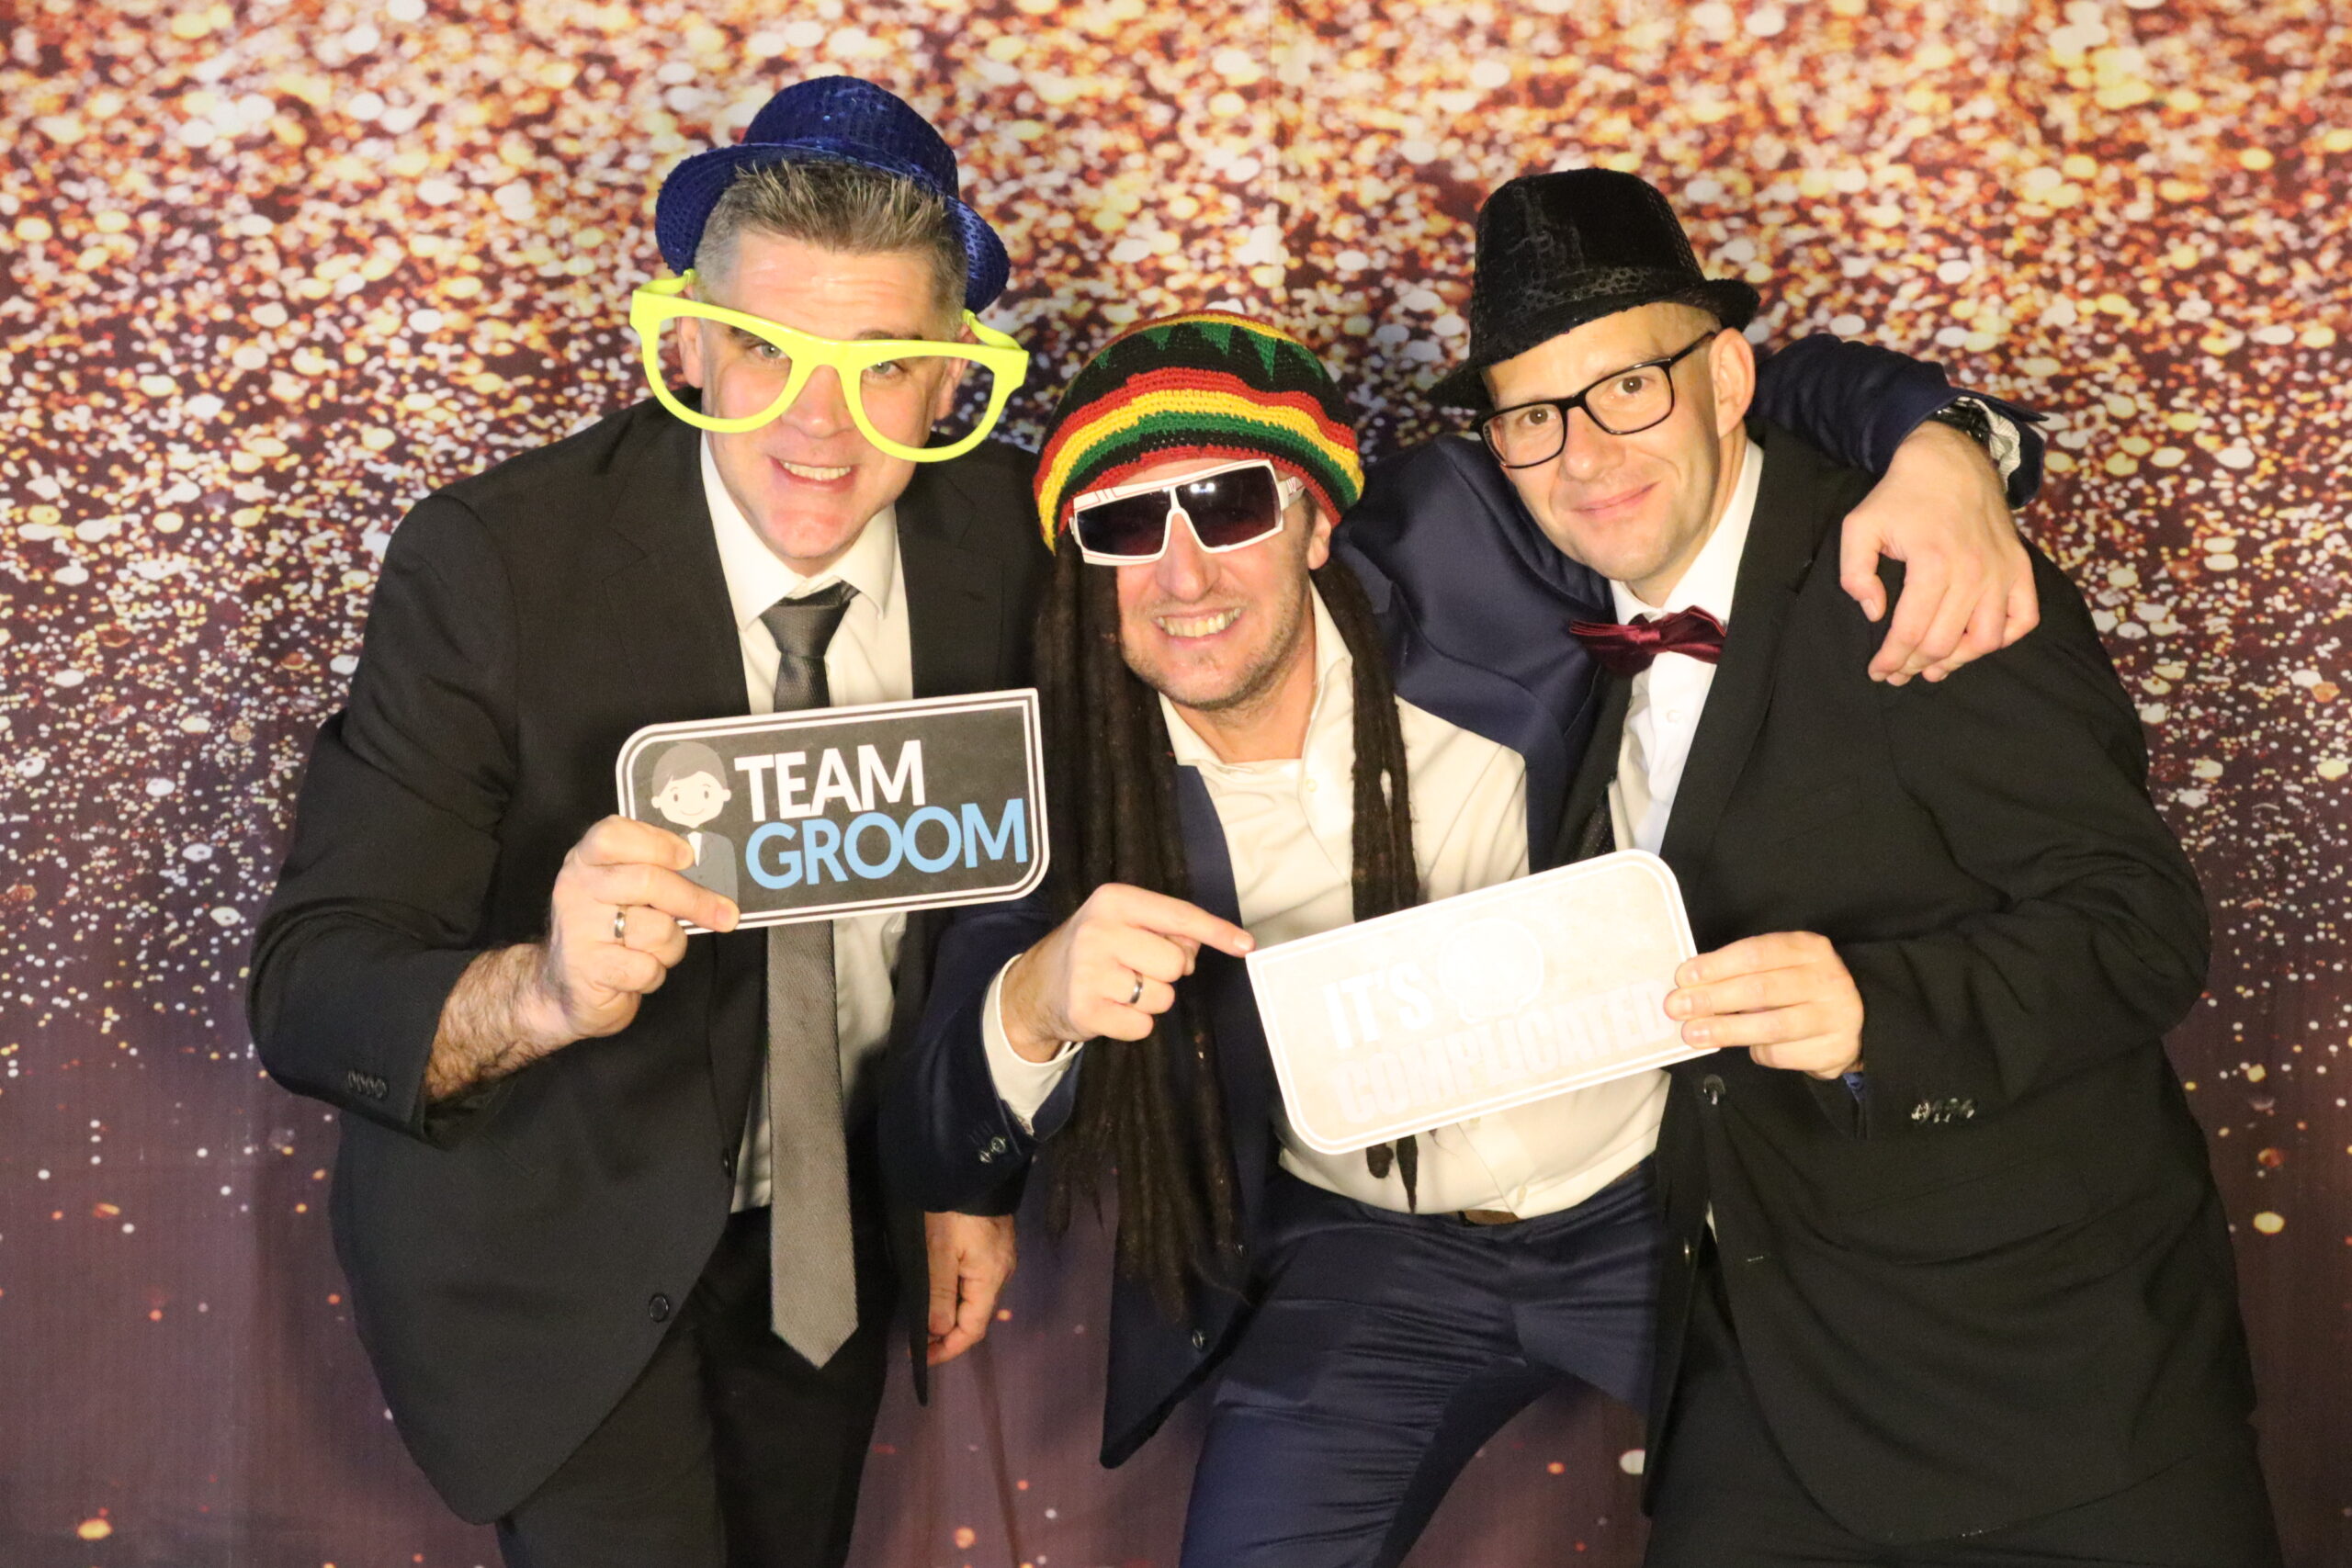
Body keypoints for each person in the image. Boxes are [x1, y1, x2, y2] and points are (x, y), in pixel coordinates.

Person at [881, 302, 2042, 1568]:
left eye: (1228, 507)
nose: (1185, 575)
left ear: (1317, 520)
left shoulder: (1466, 547)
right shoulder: (1073, 777)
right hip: (1371, 1254)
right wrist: (1035, 1001)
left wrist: (1941, 446)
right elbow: (935, 1111)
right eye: (1123, 527)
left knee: (1887, 1508)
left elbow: (1705, 393)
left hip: (1656, 1198)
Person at [247, 78, 1044, 1568]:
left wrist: (966, 1163)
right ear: (686, 339)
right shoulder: (495, 564)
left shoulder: (1009, 539)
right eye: (767, 348)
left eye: (884, 364)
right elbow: (312, 988)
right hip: (560, 1239)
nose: (820, 422)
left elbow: (1004, 897)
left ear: (953, 379)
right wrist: (540, 991)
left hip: (827, 1241)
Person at [1452, 170, 2276, 1566]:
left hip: (2055, 1385)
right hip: (1763, 1382)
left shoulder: (1916, 573)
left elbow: (2139, 928)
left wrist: (1878, 1013)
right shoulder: (1544, 626)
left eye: (1627, 387)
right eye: (1534, 414)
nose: (1583, 454)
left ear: (1727, 379)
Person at [648, 741, 739, 900]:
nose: (692, 804)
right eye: (676, 796)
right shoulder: (667, 846)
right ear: (657, 801)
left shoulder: (723, 844)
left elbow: (730, 884)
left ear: (725, 793)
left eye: (705, 793)